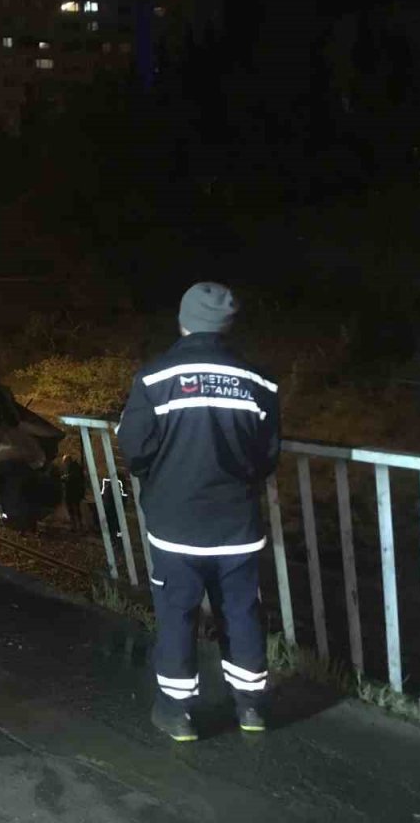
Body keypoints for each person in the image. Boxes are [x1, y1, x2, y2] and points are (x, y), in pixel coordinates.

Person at [117, 282, 281, 742]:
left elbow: (134, 448)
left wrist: (162, 476)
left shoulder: (154, 378)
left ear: (183, 319)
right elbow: (268, 456)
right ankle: (251, 707)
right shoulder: (260, 382)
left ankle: (177, 712)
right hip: (237, 524)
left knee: (177, 613)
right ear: (228, 325)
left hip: (176, 526)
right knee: (242, 612)